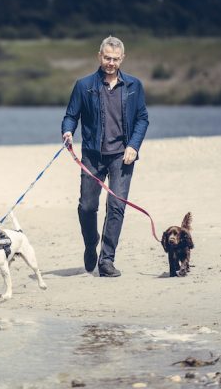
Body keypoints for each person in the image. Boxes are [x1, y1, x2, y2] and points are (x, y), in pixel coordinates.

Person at [61, 36, 149, 277]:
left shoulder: (134, 86)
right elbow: (71, 115)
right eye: (107, 58)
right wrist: (68, 131)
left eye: (115, 59)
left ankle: (106, 260)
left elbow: (142, 118)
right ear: (99, 56)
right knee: (87, 207)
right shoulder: (84, 85)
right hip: (92, 155)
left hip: (122, 156)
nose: (111, 63)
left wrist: (134, 145)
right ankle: (91, 244)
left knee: (116, 206)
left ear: (122, 59)